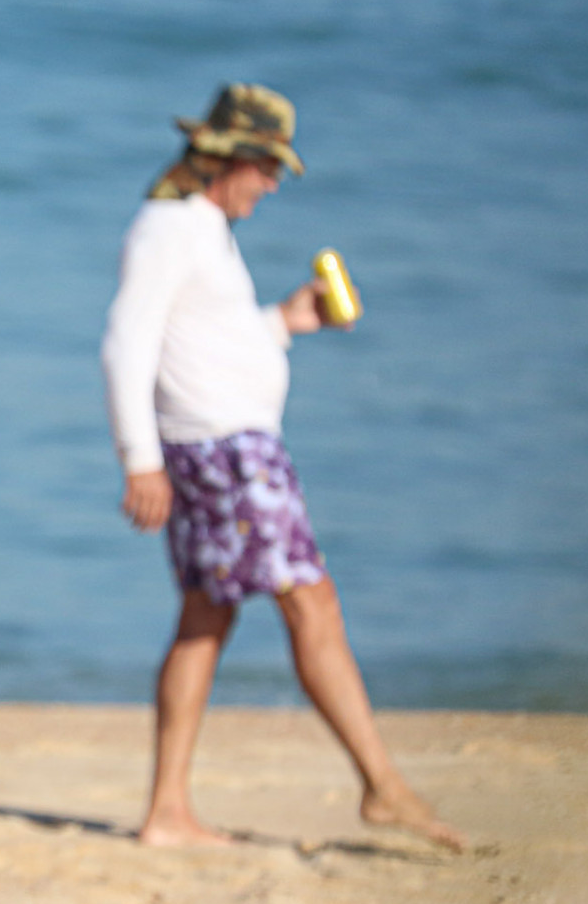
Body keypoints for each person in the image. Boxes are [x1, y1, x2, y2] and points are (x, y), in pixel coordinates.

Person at [101, 83, 463, 851]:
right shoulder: (171, 227)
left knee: (206, 618)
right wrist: (139, 459)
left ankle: (168, 809)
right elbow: (125, 343)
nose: (271, 186)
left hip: (218, 445)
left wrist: (285, 323)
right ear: (229, 157)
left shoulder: (200, 226)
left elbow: (201, 342)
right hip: (227, 452)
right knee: (312, 602)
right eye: (267, 168)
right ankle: (383, 787)